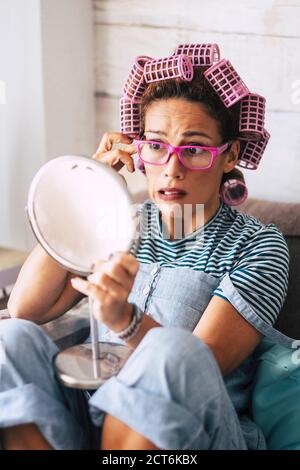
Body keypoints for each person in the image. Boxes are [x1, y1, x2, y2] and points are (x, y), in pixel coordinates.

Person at [0, 50, 295, 450]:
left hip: (193, 432)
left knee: (171, 349)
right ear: (138, 150)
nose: (172, 169)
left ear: (230, 155)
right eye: (156, 146)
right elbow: (25, 308)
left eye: (194, 149)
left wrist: (126, 320)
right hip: (88, 417)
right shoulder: (123, 222)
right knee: (9, 338)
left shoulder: (259, 245)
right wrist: (87, 189)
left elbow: (197, 364)